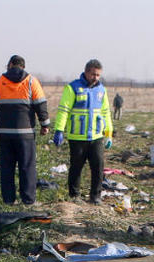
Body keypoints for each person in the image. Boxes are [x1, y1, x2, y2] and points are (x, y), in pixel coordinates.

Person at [0, 55, 50, 205]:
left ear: (10, 64)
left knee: (7, 168)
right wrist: (45, 125)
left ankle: (8, 200)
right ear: (23, 66)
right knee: (27, 166)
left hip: (5, 134)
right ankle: (28, 200)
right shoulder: (31, 81)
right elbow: (41, 104)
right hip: (26, 134)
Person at [53, 59, 113, 204]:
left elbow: (106, 113)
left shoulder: (101, 90)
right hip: (77, 137)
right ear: (86, 72)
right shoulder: (72, 88)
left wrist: (108, 133)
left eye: (98, 75)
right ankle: (74, 196)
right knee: (76, 167)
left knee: (98, 167)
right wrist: (59, 130)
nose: (95, 78)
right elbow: (63, 110)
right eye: (93, 74)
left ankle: (95, 196)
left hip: (96, 136)